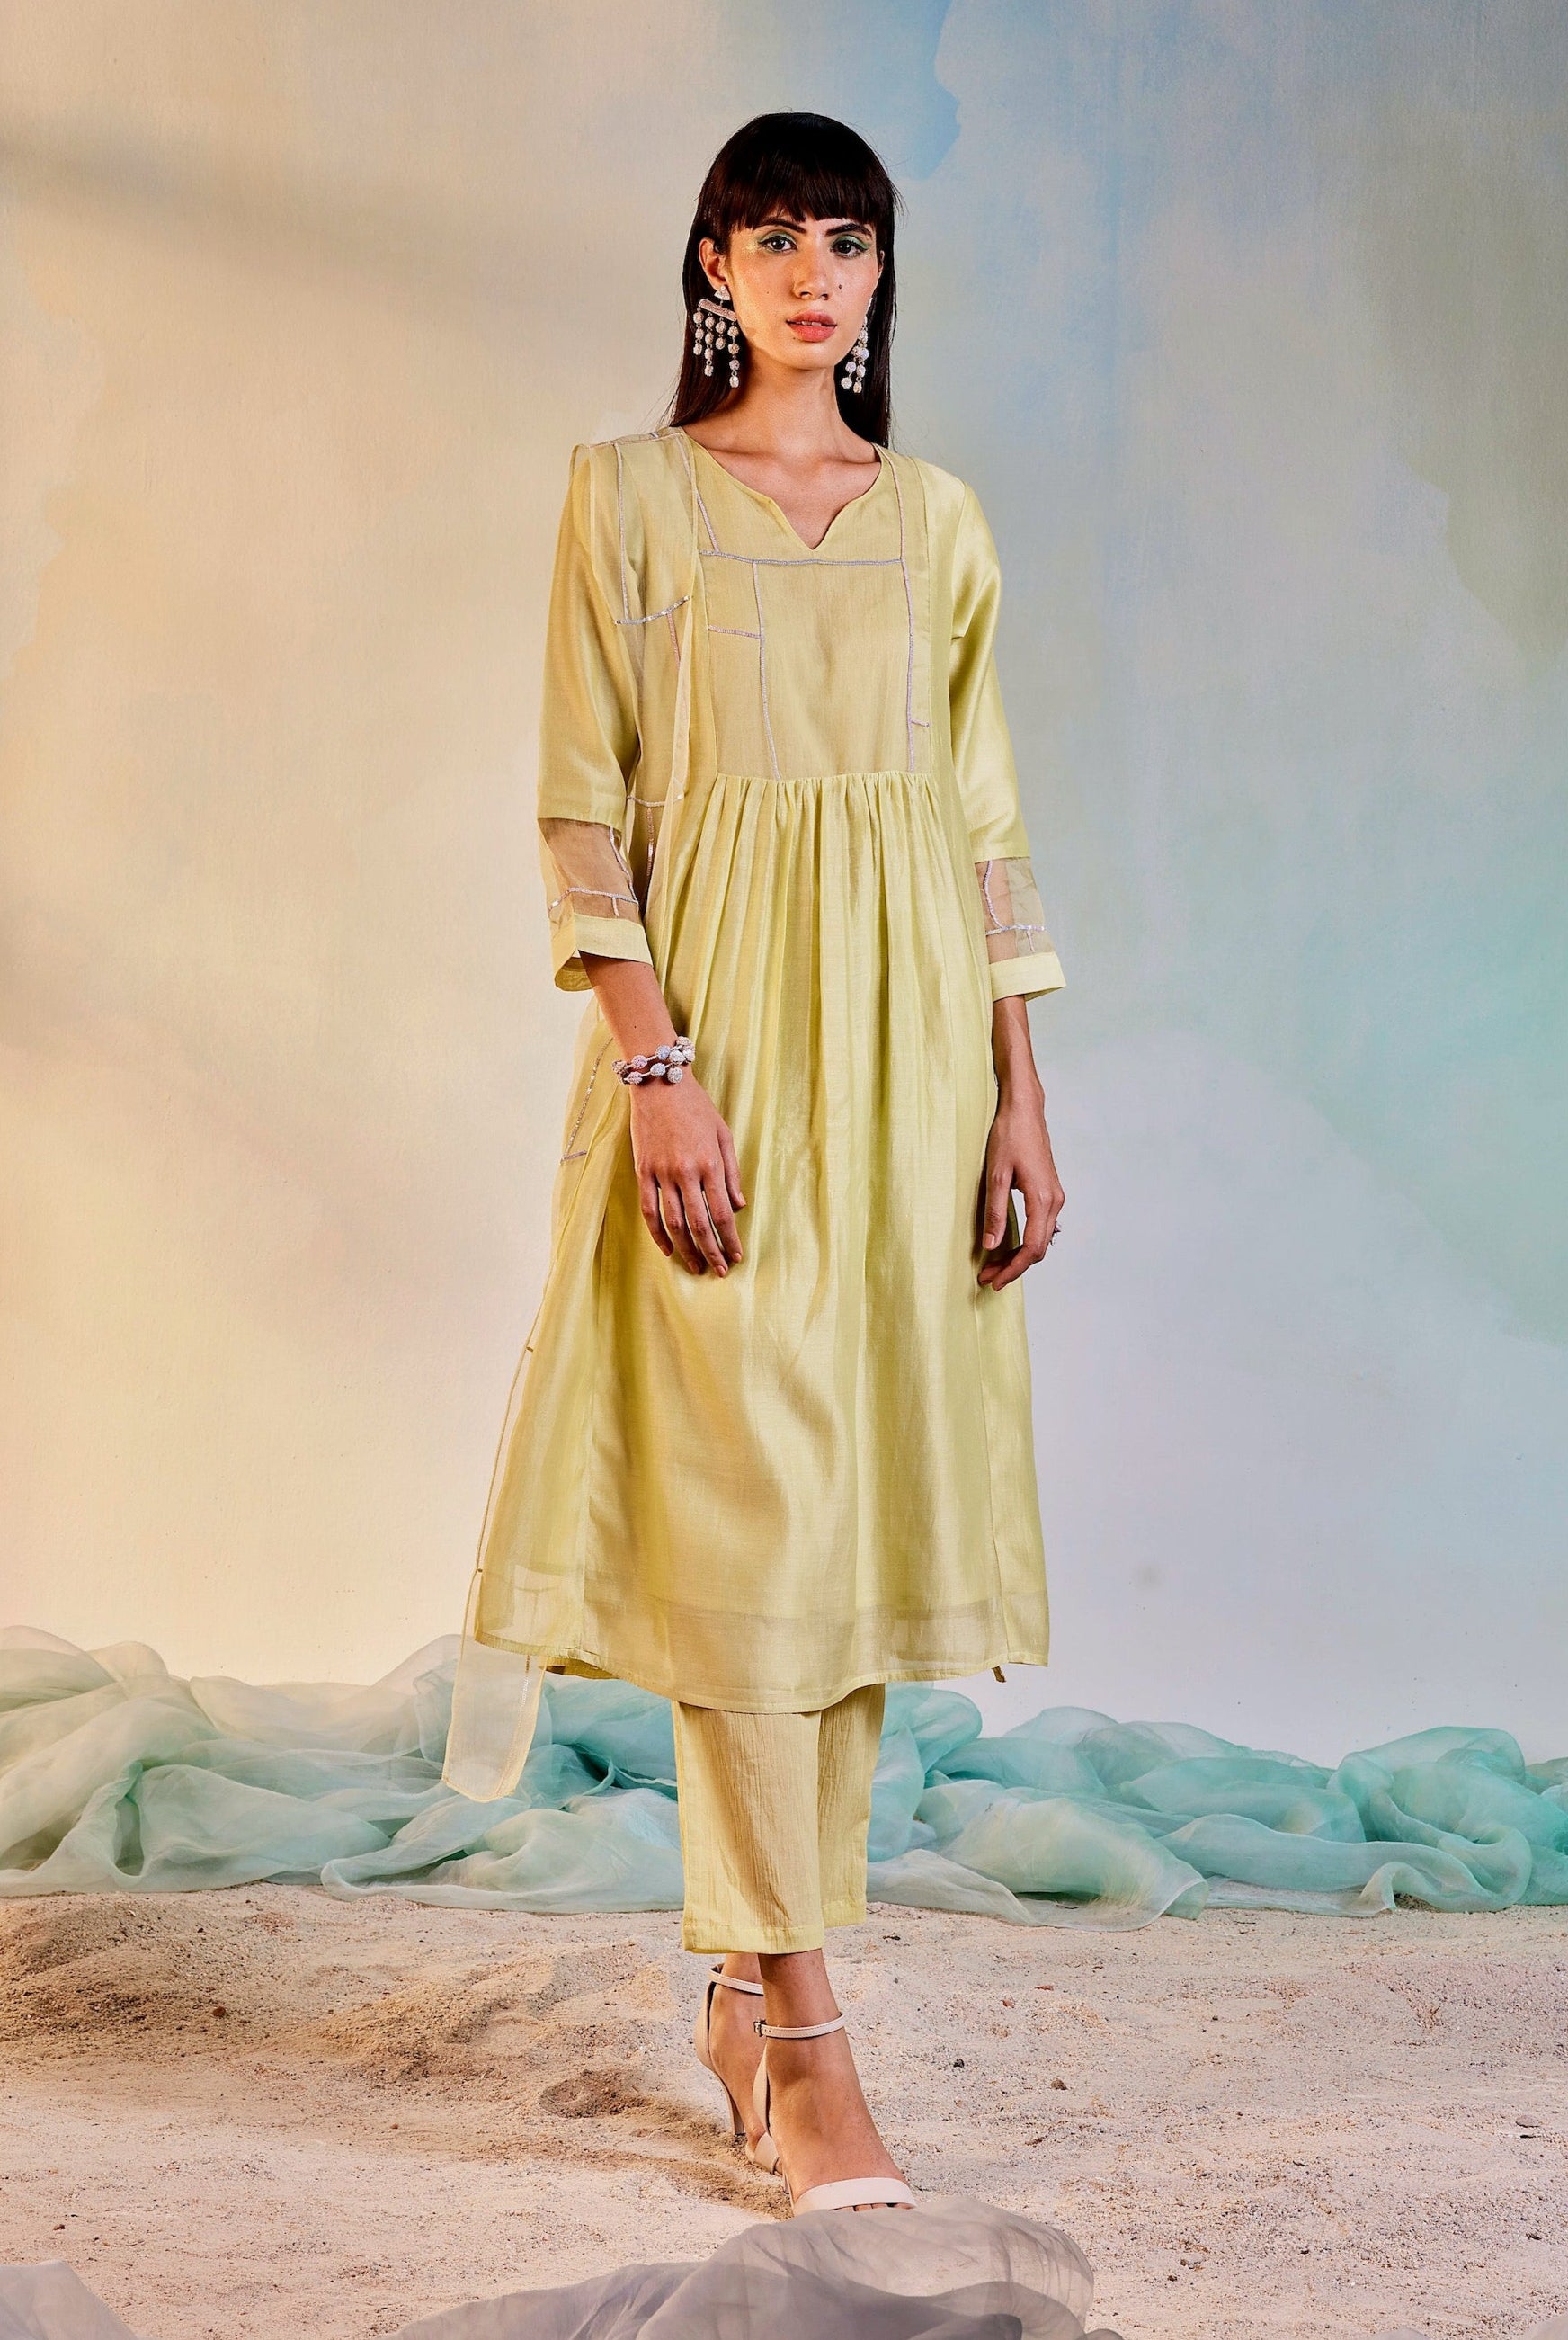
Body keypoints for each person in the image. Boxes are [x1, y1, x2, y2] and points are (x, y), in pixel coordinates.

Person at [443, 112, 1066, 2218]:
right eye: (774, 235)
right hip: (713, 1058)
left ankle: (741, 1983)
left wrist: (1019, 1088)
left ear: (879, 274)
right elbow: (580, 807)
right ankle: (808, 2042)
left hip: (913, 1066)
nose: (813, 273)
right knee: (745, 1514)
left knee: (849, 1516)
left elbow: (982, 824)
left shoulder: (939, 521)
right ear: (712, 264)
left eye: (847, 240)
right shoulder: (622, 499)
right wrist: (654, 1067)